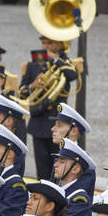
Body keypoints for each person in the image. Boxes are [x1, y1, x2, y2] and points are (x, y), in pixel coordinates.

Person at [20, 36, 78, 180]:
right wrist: (32, 86)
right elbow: (21, 92)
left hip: (57, 123)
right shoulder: (33, 64)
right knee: (42, 168)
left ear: (59, 43)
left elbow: (72, 75)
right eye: (44, 43)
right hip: (38, 121)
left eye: (49, 43)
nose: (45, 46)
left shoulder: (65, 62)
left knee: (59, 167)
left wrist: (56, 60)